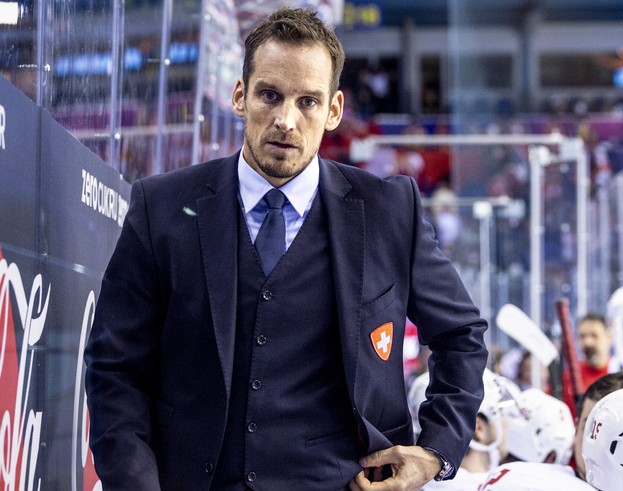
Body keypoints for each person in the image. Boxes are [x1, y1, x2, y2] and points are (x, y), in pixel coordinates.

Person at [84, 8, 488, 491]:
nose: (285, 120)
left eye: (308, 102)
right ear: (240, 95)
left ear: (334, 110)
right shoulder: (162, 206)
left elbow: (462, 335)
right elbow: (116, 369)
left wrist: (435, 452)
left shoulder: (388, 211)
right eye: (269, 95)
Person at [575, 313, 615, 392]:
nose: (587, 342)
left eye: (594, 335)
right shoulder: (570, 377)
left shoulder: (618, 372)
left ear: (609, 338)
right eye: (582, 336)